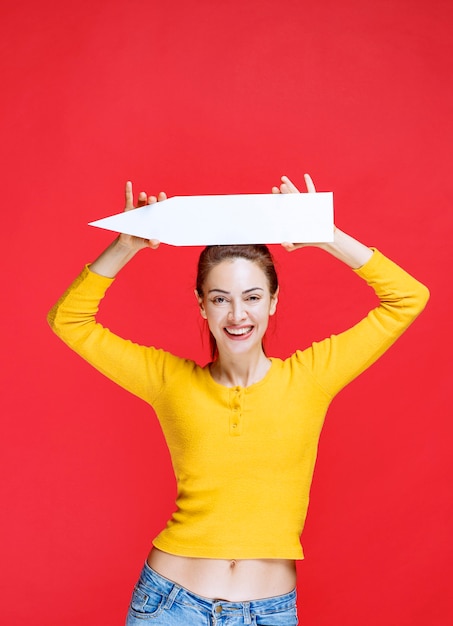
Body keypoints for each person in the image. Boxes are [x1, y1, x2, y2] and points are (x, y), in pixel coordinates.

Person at [48, 174, 429, 626]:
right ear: (202, 305)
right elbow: (68, 320)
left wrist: (326, 236)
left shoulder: (311, 378)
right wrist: (126, 246)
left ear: (272, 302)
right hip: (169, 606)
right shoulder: (170, 381)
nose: (237, 315)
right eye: (220, 299)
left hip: (269, 611)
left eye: (251, 297)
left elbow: (408, 298)